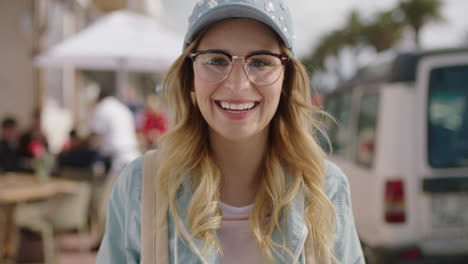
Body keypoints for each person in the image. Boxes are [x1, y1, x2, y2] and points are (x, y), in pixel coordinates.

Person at [97, 0, 364, 263]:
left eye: (260, 62)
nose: (238, 86)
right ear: (190, 76)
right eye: (215, 60)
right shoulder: (140, 186)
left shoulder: (325, 187)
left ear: (286, 78)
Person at [89, 86, 140, 176]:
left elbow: (95, 135)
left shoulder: (103, 107)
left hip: (119, 157)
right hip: (132, 153)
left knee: (114, 188)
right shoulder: (120, 106)